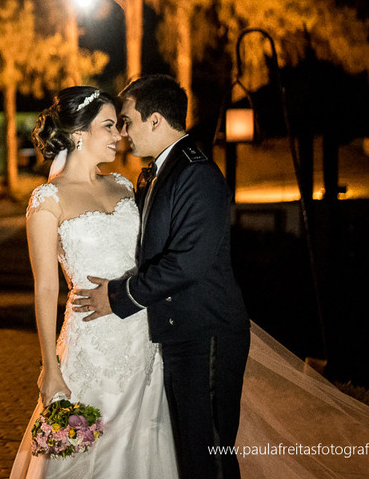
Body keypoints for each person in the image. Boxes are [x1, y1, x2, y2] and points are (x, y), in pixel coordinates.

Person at [74, 74, 249, 479]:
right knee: (188, 449)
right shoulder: (153, 173)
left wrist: (117, 297)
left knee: (211, 450)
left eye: (127, 121)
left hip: (206, 333)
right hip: (176, 332)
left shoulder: (198, 174)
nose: (122, 132)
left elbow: (188, 262)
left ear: (155, 121)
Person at [10, 86, 178, 479]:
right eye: (108, 125)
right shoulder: (46, 201)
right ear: (78, 135)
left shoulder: (122, 185)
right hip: (90, 347)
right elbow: (46, 289)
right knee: (81, 457)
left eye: (118, 125)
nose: (119, 134)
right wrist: (50, 367)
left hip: (144, 340)